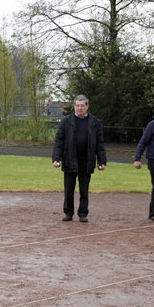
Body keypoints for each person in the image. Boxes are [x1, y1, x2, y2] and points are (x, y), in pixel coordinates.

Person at [52, 94, 107, 222]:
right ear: (74, 106)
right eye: (77, 105)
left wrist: (102, 161)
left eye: (82, 105)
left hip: (86, 161)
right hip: (70, 159)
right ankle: (68, 213)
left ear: (87, 106)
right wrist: (56, 158)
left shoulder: (95, 122)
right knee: (69, 189)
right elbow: (59, 141)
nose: (80, 108)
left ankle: (83, 213)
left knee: (84, 190)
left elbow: (100, 143)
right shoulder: (66, 121)